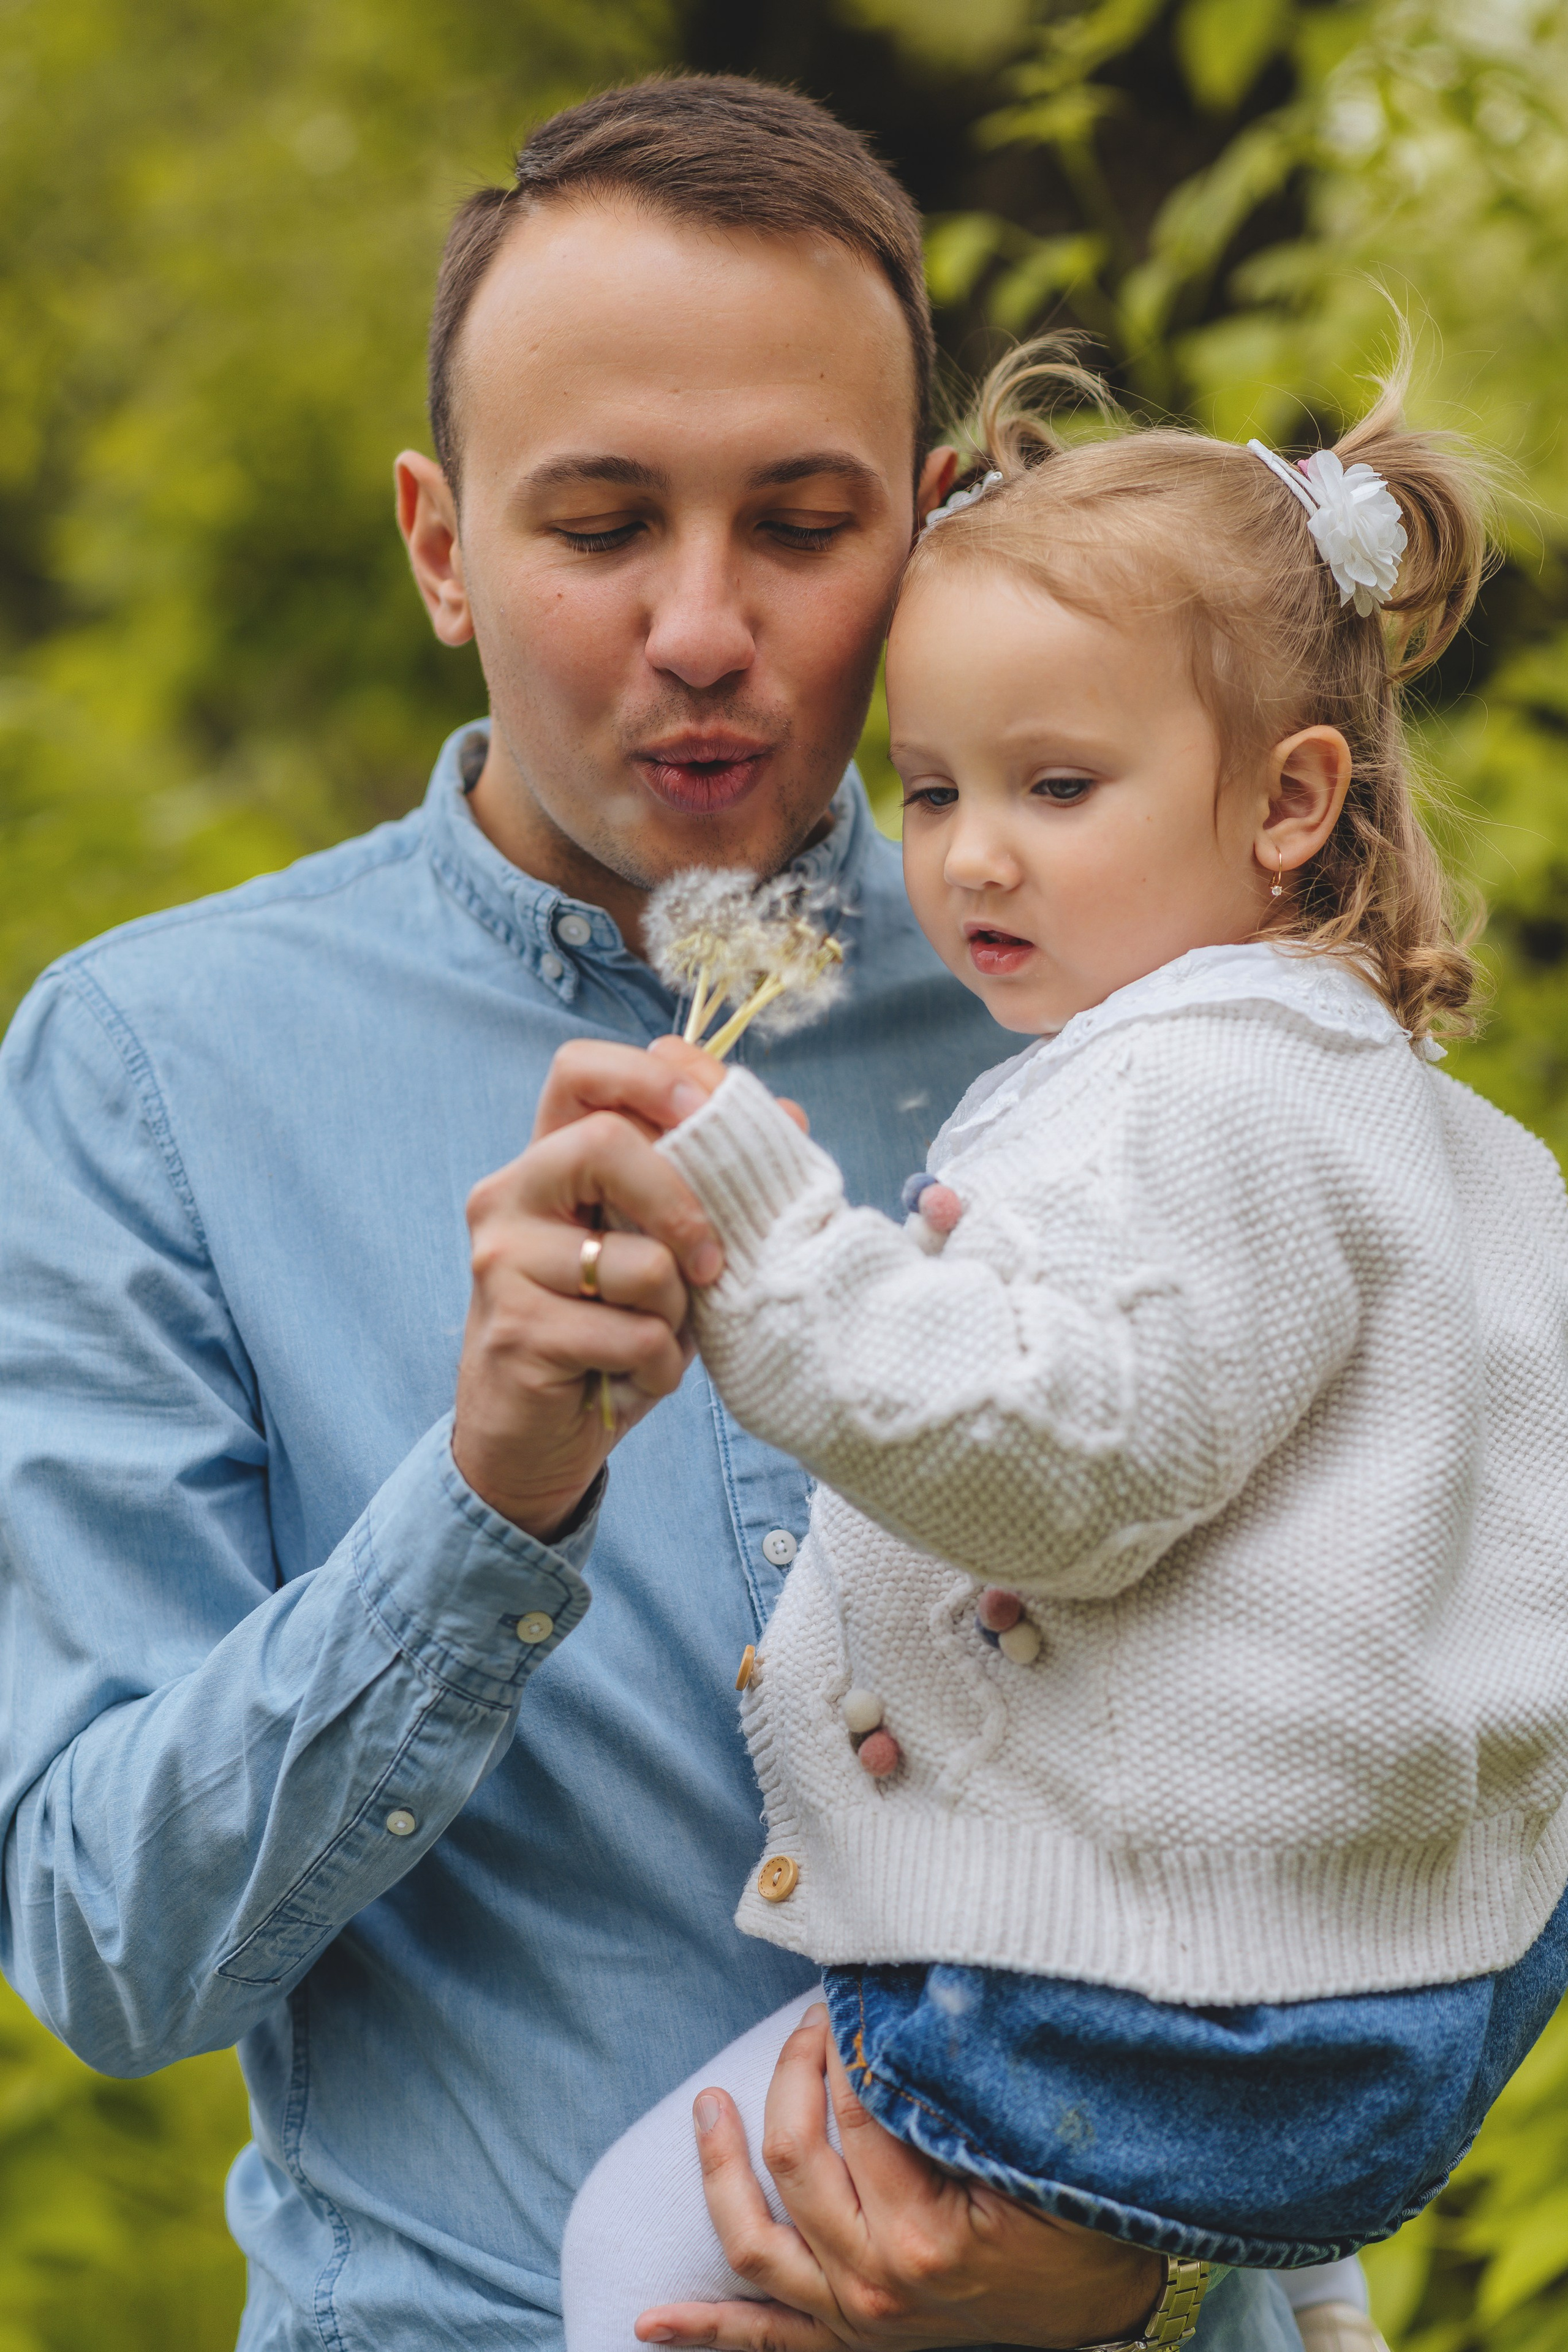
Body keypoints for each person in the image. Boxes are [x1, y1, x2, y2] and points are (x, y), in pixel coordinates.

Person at [0, 76, 1312, 2352]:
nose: (701, 628)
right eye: (599, 524)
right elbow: (109, 1948)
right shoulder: (152, 1077)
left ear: (928, 533)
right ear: (438, 545)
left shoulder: (1152, 1016)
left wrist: (1125, 2255)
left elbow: (1453, 1725)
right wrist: (483, 1499)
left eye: (801, 527)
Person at [556, 350, 1568, 2346]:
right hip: (1356, 1989)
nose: (975, 857)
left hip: (1112, 2016)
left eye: (1057, 787)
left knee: (629, 2263)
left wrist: (766, 1234)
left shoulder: (1192, 1096)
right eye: (932, 791)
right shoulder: (1422, 1124)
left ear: (1292, 802)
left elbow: (1073, 1460)